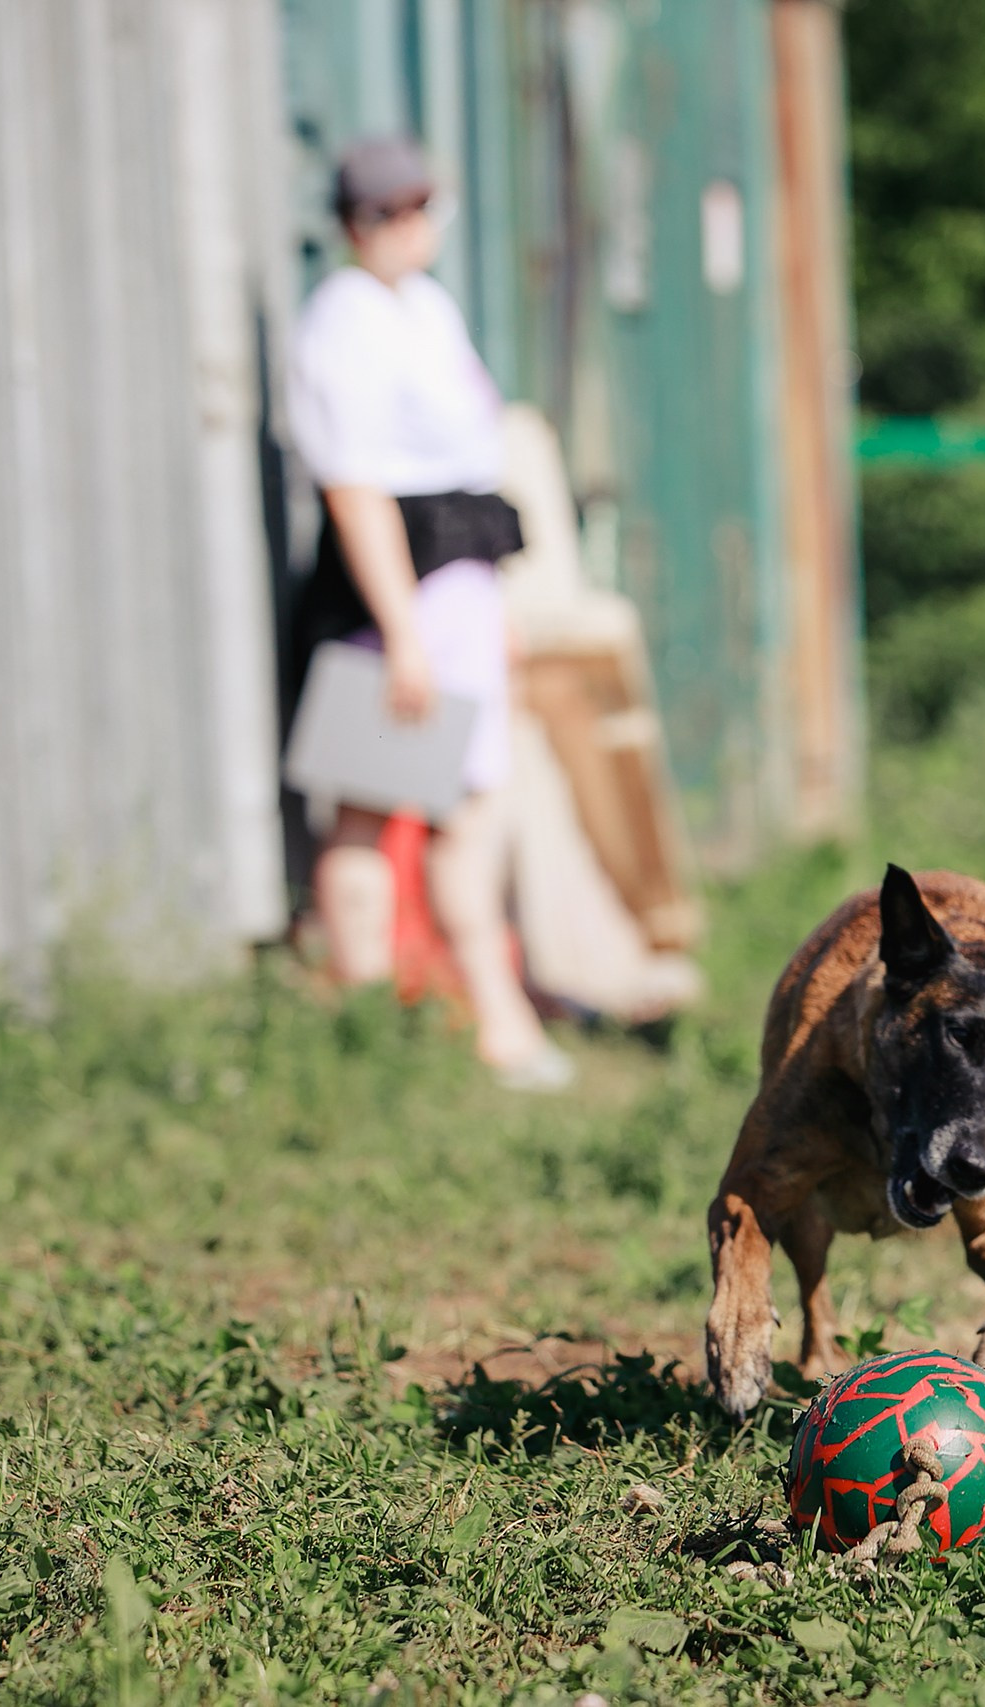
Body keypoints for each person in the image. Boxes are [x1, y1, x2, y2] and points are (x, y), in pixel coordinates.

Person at [287, 135, 572, 1091]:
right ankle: (371, 1025)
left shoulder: (425, 308)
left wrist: (485, 615)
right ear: (350, 226)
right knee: (369, 803)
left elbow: (466, 470)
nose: (405, 227)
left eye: (415, 207)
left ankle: (497, 1020)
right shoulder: (343, 320)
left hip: (456, 586)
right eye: (383, 213)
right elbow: (356, 487)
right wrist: (401, 633)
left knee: (471, 810)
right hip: (391, 597)